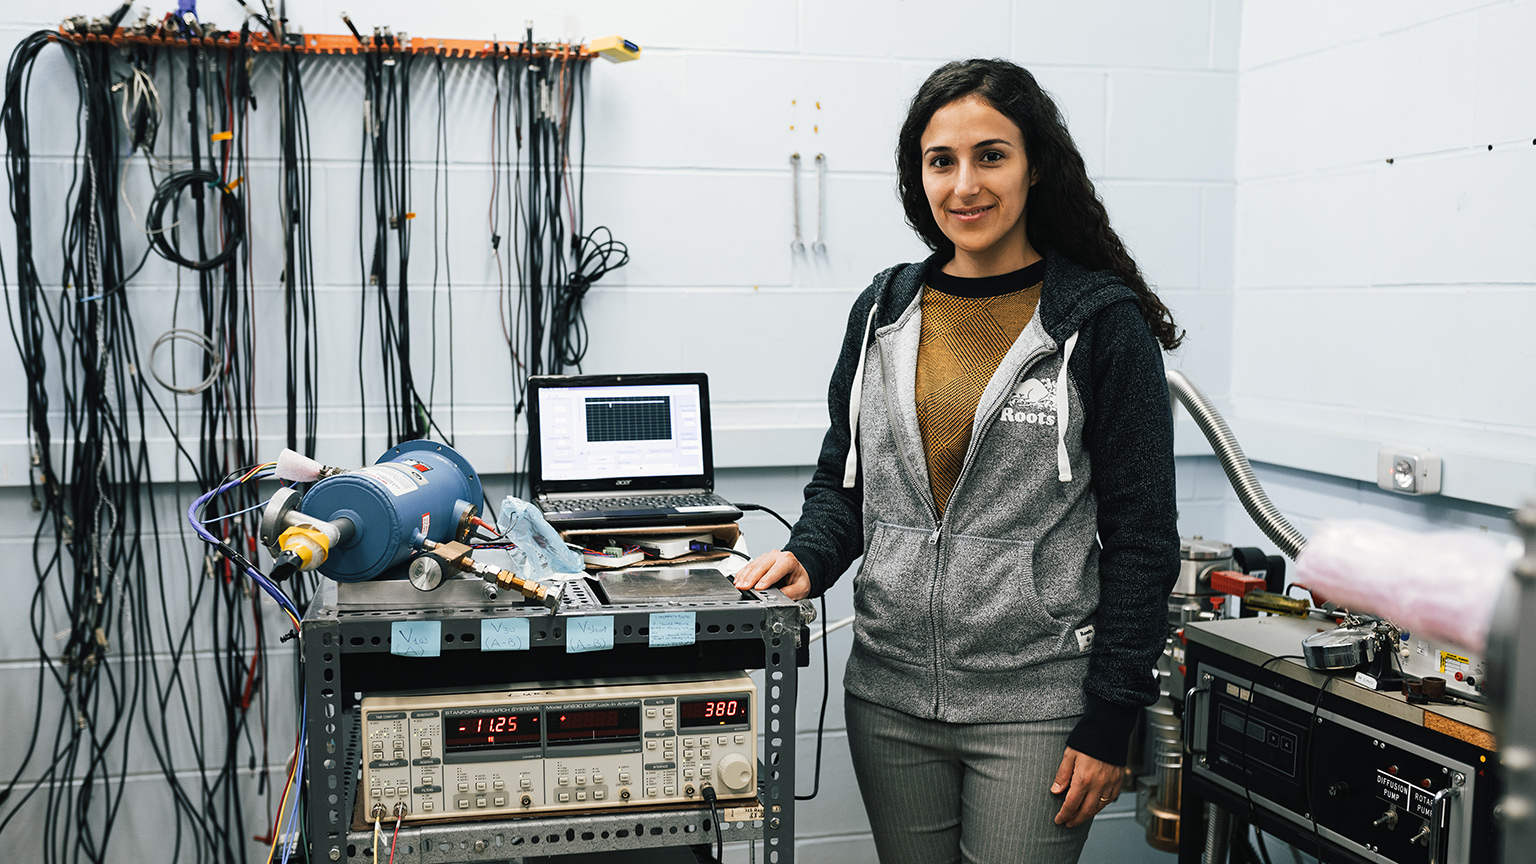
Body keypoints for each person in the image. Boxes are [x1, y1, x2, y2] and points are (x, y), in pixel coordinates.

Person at [732, 58, 1182, 864]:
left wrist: (1112, 714)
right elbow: (846, 482)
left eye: (991, 155)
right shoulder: (884, 307)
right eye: (942, 161)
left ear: (1035, 165)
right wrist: (808, 555)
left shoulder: (1098, 323)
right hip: (890, 696)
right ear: (919, 176)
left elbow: (1144, 539)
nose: (965, 184)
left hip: (1036, 704)